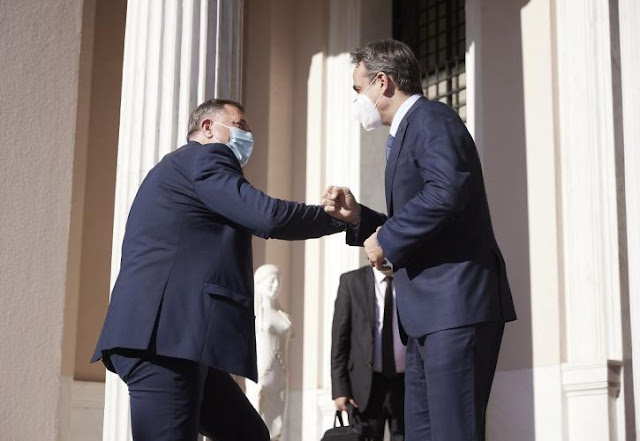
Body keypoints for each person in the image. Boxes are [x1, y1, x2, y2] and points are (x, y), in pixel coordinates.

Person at [91, 98, 344, 441]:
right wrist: (337, 219)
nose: (248, 135)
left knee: (248, 434)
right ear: (208, 127)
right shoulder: (205, 158)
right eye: (240, 125)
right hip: (166, 340)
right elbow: (266, 216)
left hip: (179, 340)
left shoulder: (180, 168)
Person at [322, 39, 517, 441]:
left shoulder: (431, 118)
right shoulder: (404, 132)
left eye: (358, 89)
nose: (357, 101)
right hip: (425, 317)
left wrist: (388, 237)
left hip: (454, 306)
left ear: (382, 82)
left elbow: (447, 192)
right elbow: (418, 217)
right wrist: (360, 219)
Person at [331, 265, 405, 441]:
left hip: (405, 383)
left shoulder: (408, 278)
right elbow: (340, 338)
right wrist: (340, 389)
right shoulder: (351, 282)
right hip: (365, 386)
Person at [246, 264, 292, 440]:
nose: (276, 285)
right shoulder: (256, 314)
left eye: (278, 281)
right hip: (261, 372)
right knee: (257, 414)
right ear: (259, 283)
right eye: (271, 281)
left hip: (280, 374)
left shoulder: (283, 315)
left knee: (277, 420)